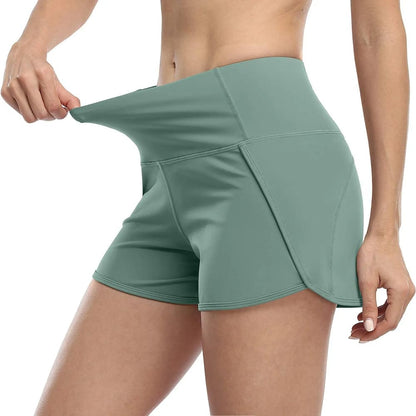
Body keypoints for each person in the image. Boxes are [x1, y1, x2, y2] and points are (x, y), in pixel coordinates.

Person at [2, 0, 415, 415]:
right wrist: (31, 43)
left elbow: (376, 32)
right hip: (167, 166)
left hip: (264, 164)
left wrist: (385, 229)